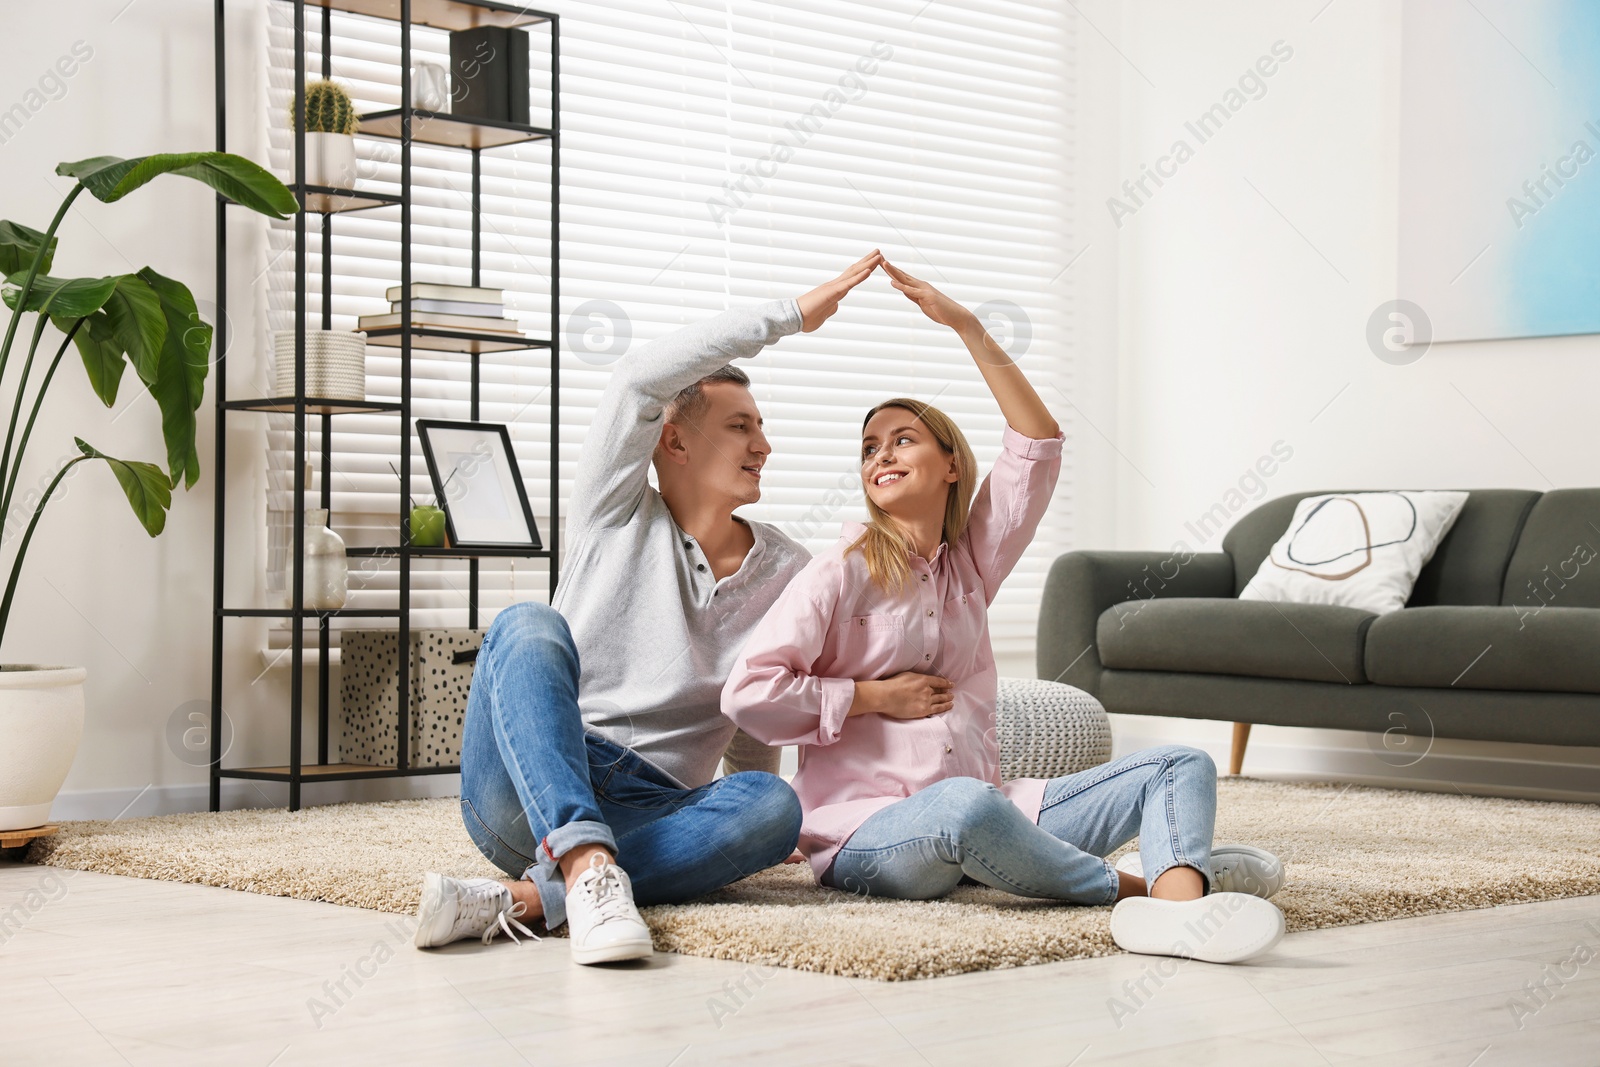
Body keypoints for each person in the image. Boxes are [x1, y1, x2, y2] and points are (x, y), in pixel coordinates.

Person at [721, 258, 1288, 964]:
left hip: (998, 809)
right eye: (869, 447)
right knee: (966, 808)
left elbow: (1037, 447)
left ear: (951, 463)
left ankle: (1177, 908)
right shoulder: (838, 571)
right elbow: (748, 694)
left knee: (1181, 764)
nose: (880, 455)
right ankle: (1151, 886)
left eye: (903, 438)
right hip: (870, 830)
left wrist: (968, 327)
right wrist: (871, 697)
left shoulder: (968, 563)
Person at [413, 252, 886, 964]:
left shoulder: (792, 569)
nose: (764, 444)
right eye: (740, 427)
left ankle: (537, 894)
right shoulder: (614, 510)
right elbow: (639, 376)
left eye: (761, 427)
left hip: (658, 805)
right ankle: (582, 864)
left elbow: (756, 709)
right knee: (524, 624)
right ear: (674, 439)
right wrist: (789, 315)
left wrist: (752, 815)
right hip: (532, 783)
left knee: (774, 802)